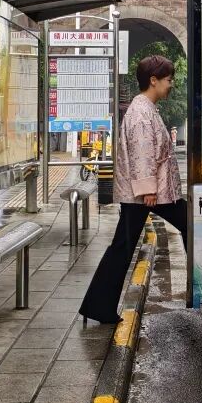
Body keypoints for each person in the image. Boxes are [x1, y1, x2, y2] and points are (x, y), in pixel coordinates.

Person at [79, 55, 187, 324]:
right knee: (188, 226)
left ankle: (98, 305)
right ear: (153, 81)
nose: (171, 84)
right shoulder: (141, 113)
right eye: (168, 79)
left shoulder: (145, 108)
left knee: (123, 246)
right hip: (151, 195)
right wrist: (147, 190)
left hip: (152, 193)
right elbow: (142, 154)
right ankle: (201, 284)